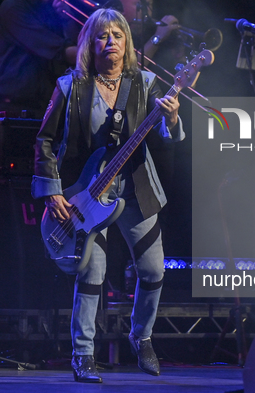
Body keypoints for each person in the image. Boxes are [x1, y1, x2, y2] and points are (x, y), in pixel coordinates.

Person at [32, 7, 183, 382]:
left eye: (117, 34)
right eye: (102, 35)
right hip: (85, 195)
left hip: (135, 192)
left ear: (127, 42)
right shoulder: (70, 86)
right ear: (90, 43)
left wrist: (174, 118)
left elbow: (167, 137)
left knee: (153, 270)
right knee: (91, 272)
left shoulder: (146, 83)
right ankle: (83, 354)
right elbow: (45, 141)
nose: (111, 41)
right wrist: (52, 193)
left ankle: (142, 336)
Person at [0, 0, 79, 118]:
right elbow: (60, 51)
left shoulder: (49, 8)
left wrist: (67, 20)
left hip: (47, 105)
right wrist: (98, 54)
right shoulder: (13, 8)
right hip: (16, 108)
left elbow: (74, 44)